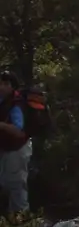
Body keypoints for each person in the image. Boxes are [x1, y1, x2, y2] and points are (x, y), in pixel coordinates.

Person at [0, 71, 32, 214]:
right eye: (0, 83)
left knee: (17, 185)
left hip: (18, 149)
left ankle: (21, 220)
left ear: (13, 87)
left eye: (6, 84)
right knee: (6, 183)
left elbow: (18, 130)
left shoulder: (16, 104)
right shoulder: (3, 101)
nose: (2, 87)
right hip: (6, 149)